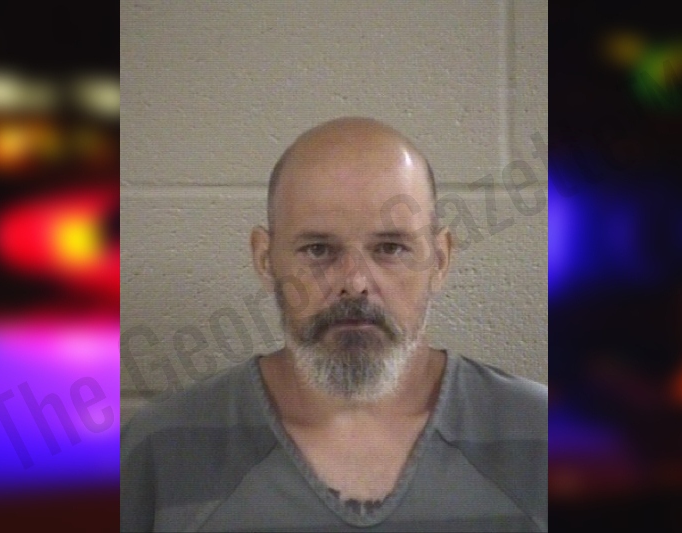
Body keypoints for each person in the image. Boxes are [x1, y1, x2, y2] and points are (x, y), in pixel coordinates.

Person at [120, 117, 548, 532]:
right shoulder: (159, 449)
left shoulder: (543, 435)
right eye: (318, 250)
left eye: (390, 248)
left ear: (440, 259)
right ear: (265, 260)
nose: (355, 282)